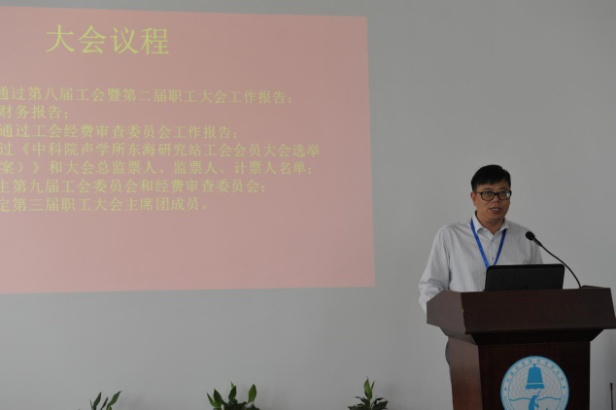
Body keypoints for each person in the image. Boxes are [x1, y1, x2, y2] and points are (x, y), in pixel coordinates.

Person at [418, 164, 543, 312]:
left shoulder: (526, 238)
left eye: (503, 193)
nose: (496, 200)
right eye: (488, 193)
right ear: (474, 198)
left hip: (513, 323)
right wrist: (450, 316)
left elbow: (540, 289)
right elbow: (431, 286)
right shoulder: (450, 236)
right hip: (465, 324)